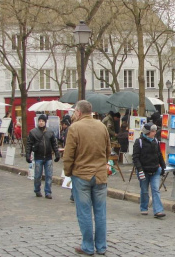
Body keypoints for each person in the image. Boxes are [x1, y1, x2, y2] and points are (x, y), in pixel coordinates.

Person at [63, 100, 111, 256]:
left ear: (78, 112)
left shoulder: (74, 128)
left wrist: (68, 172)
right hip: (100, 175)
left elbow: (69, 154)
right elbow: (108, 151)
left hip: (81, 175)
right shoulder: (102, 127)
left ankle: (88, 246)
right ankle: (102, 246)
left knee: (84, 212)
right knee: (100, 212)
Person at [132, 123, 166, 218]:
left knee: (155, 190)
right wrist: (139, 169)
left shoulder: (156, 141)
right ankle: (144, 207)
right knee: (144, 191)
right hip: (143, 170)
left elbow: (159, 155)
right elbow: (135, 157)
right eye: (153, 131)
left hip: (155, 170)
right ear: (147, 132)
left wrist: (163, 167)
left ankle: (158, 211)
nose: (155, 133)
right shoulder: (139, 142)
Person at [26, 114, 60, 199]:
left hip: (48, 157)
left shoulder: (50, 132)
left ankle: (48, 192)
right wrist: (28, 155)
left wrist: (57, 154)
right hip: (38, 157)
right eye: (40, 121)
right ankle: (37, 190)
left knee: (49, 176)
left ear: (45, 122)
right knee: (37, 176)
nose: (41, 122)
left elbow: (54, 144)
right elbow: (29, 144)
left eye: (42, 121)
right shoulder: (33, 132)